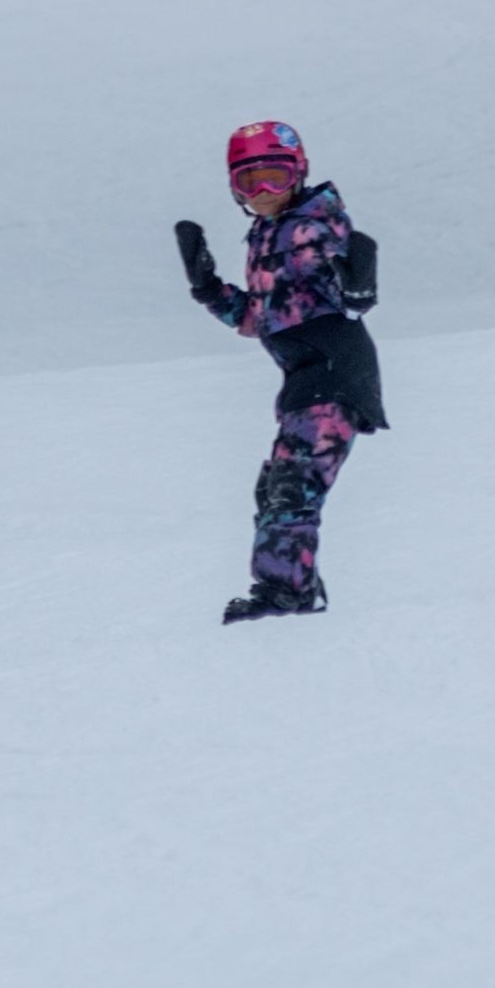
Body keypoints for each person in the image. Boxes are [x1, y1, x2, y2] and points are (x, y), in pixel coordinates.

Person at [176, 120, 385, 623]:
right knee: (275, 488)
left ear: (299, 173)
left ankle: (286, 594)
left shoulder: (315, 222)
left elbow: (334, 263)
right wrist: (209, 288)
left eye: (275, 176)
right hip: (305, 380)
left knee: (293, 487)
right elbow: (260, 318)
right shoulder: (267, 235)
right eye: (251, 182)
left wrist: (354, 292)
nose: (264, 192)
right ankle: (296, 586)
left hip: (335, 373)